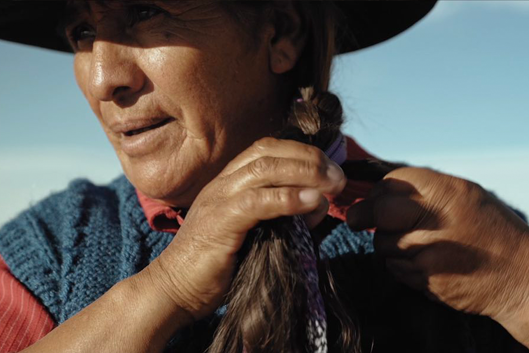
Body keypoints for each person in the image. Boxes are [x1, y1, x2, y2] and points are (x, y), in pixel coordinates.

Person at [0, 1, 528, 352]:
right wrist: (168, 287)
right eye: (83, 32)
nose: (102, 79)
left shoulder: (465, 244)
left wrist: (517, 287)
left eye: (145, 11)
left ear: (281, 36)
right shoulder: (48, 253)